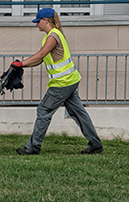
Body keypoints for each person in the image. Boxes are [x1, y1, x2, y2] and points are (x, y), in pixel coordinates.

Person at [10, 8, 103, 155]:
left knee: (43, 110)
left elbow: (41, 53)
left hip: (62, 83)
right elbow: (40, 59)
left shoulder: (53, 36)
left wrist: (21, 63)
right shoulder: (51, 36)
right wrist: (23, 65)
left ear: (46, 20)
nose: (36, 25)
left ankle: (33, 147)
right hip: (70, 81)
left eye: (38, 21)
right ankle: (96, 144)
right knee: (79, 113)